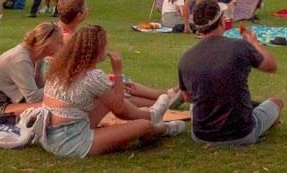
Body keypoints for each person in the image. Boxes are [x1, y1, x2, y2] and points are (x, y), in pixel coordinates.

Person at [41, 24, 182, 157]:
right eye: (105, 46)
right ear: (97, 50)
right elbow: (119, 107)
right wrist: (118, 71)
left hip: (50, 135)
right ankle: (162, 128)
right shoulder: (92, 77)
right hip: (71, 143)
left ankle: (151, 115)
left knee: (108, 94)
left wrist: (113, 85)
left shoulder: (59, 68)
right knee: (143, 126)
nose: (107, 49)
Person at [177, 0, 283, 145]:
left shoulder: (185, 58)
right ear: (221, 21)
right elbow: (271, 66)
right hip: (241, 133)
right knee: (276, 102)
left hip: (201, 135)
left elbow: (188, 98)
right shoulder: (240, 46)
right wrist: (254, 43)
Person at [0, 22, 63, 130]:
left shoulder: (36, 55)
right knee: (52, 107)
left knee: (57, 104)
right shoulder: (21, 59)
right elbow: (33, 98)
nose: (63, 46)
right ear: (47, 44)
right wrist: (60, 88)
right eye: (59, 43)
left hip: (7, 102)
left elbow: (39, 86)